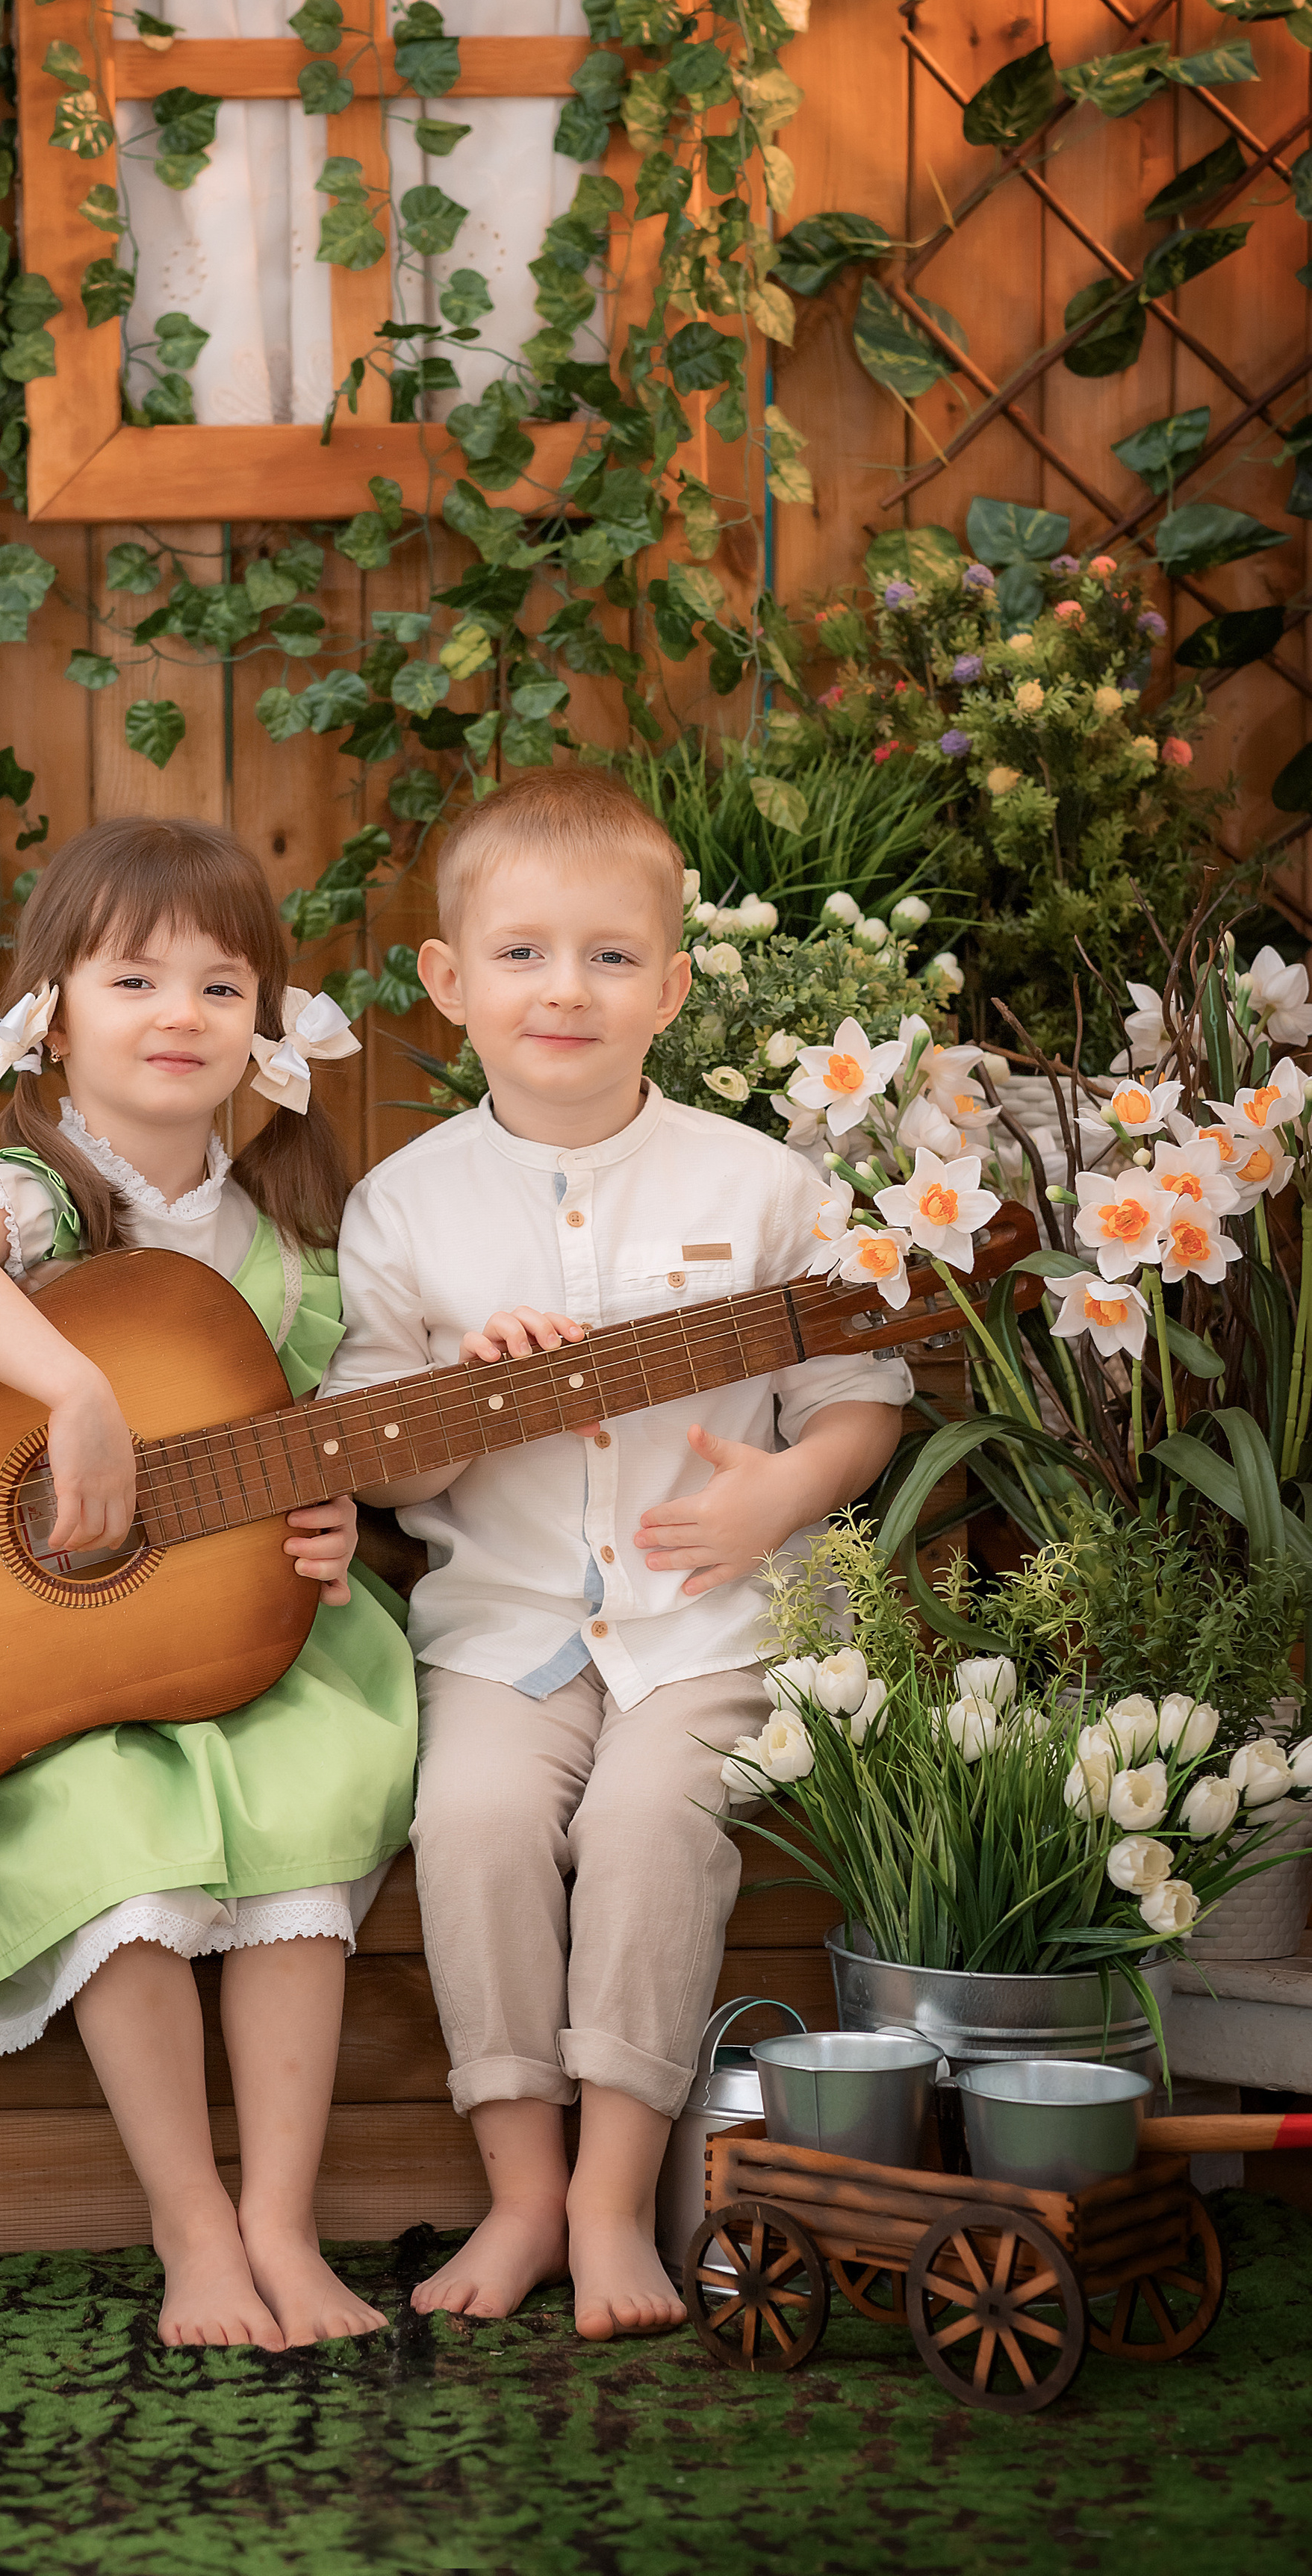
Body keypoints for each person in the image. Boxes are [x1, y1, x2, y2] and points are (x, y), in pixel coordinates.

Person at [0, 817, 417, 2352]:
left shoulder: (292, 1246)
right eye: (133, 979)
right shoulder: (36, 1191)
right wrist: (69, 1387)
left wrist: (331, 1514)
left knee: (309, 1800)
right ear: (51, 1013)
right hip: (47, 1672)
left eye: (219, 983)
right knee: (114, 1837)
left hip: (241, 1648)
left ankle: (281, 2216)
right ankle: (190, 2226)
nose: (178, 1014)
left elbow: (307, 1446)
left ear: (266, 1026)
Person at [322, 767, 910, 2342]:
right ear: (447, 983)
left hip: (708, 1621)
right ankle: (521, 2187)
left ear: (670, 981)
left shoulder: (764, 1184)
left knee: (657, 1820)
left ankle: (611, 2200)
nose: (561, 989)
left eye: (604, 954)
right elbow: (379, 1456)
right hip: (502, 1621)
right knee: (471, 1822)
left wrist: (774, 1501)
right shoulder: (402, 1209)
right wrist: (464, 1393)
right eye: (517, 954)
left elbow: (859, 1404)